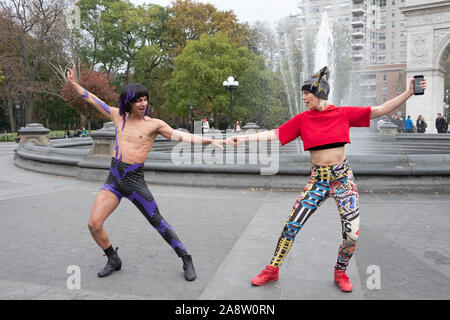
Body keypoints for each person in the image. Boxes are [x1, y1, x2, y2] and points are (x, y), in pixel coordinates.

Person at [226, 66, 427, 292]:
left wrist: (409, 92)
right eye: (302, 94)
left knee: (351, 234)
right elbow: (274, 134)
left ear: (319, 92)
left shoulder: (343, 113)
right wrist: (242, 140)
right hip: (318, 181)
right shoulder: (302, 120)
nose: (303, 98)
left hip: (343, 180)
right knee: (291, 225)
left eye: (306, 93)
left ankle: (340, 272)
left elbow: (379, 110)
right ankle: (272, 269)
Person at [65, 64, 224, 281]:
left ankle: (185, 257)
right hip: (114, 179)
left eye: (145, 99)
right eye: (138, 100)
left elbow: (181, 136)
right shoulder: (117, 117)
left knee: (157, 222)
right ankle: (113, 258)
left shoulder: (153, 125)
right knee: (94, 224)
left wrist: (210, 140)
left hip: (134, 181)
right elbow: (91, 98)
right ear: (128, 102)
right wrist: (73, 83)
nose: (143, 103)